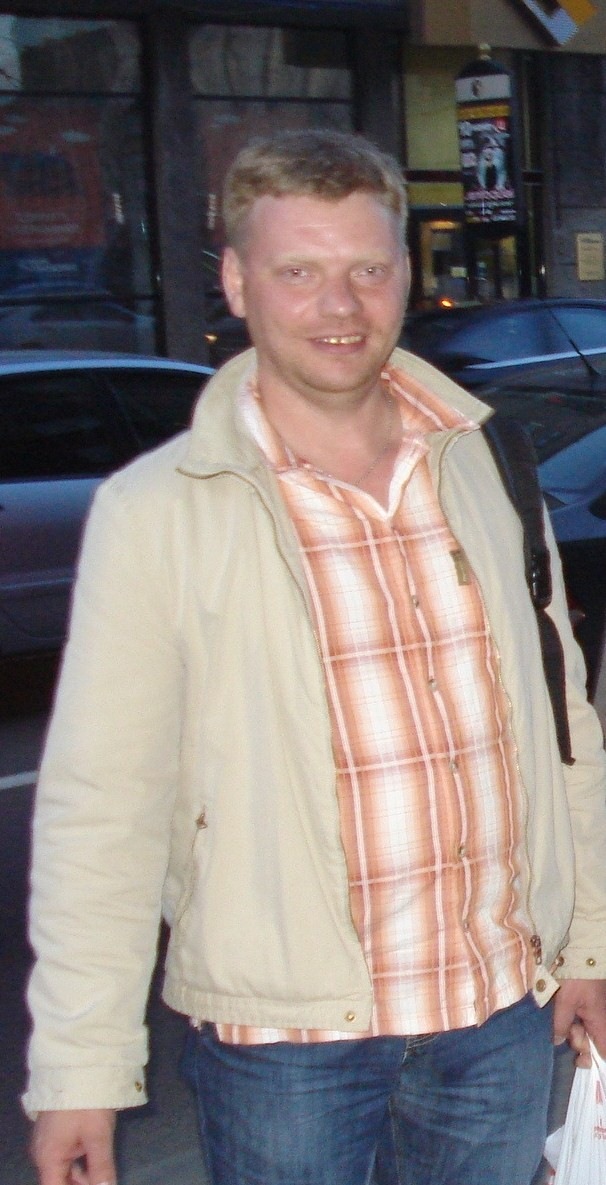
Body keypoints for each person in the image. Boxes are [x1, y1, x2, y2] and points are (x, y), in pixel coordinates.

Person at [24, 128, 606, 1185]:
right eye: (298, 272)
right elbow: (101, 809)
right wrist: (80, 1071)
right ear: (237, 282)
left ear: (405, 276)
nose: (340, 307)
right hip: (287, 1049)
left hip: (494, 1019)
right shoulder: (158, 512)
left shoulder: (488, 465)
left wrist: (590, 946)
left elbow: (564, 726)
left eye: (367, 270)